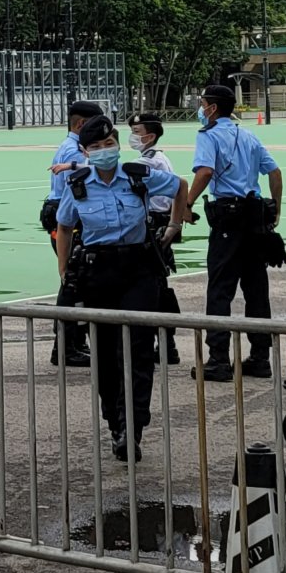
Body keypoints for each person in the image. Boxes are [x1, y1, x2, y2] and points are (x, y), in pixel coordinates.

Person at [54, 114, 188, 462]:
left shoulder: (138, 176)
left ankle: (133, 427)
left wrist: (174, 226)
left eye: (109, 144)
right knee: (107, 353)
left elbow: (179, 187)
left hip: (139, 270)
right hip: (97, 272)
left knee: (139, 350)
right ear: (84, 152)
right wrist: (64, 271)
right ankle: (114, 421)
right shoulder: (78, 184)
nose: (104, 151)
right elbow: (65, 227)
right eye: (95, 147)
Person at [184, 83, 283, 382]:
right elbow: (275, 173)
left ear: (213, 108)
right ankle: (260, 357)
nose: (201, 108)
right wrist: (275, 211)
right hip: (255, 218)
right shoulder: (249, 135)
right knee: (256, 290)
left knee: (220, 290)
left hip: (228, 217)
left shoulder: (209, 136)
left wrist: (187, 203)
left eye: (203, 103)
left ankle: (218, 359)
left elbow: (204, 172)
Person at [42, 100, 102, 367]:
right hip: (70, 221)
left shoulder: (69, 148)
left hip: (62, 216)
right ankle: (66, 346)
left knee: (77, 282)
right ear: (81, 124)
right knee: (73, 282)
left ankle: (73, 343)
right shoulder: (75, 153)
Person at [128, 112, 182, 366]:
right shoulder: (159, 157)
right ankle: (166, 343)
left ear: (149, 135)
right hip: (159, 223)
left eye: (136, 131)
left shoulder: (148, 162)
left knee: (152, 286)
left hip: (153, 225)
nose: (133, 136)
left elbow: (122, 178)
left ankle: (162, 342)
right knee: (159, 284)